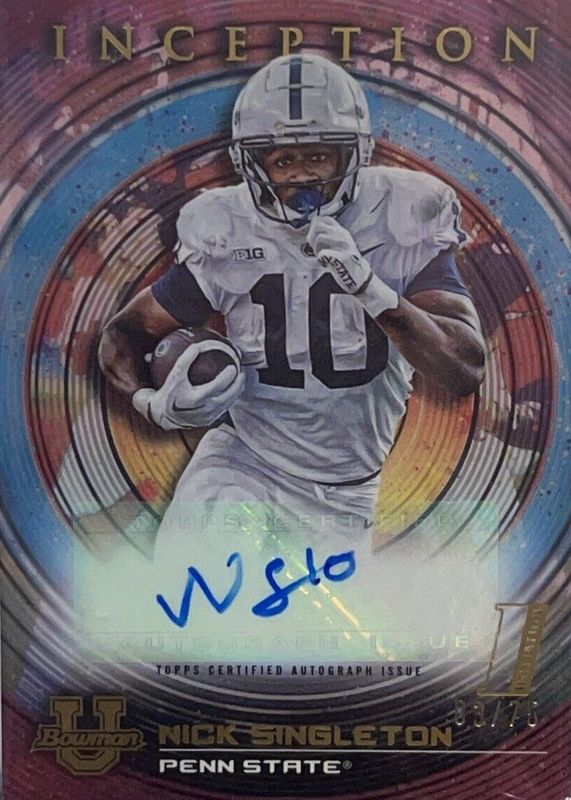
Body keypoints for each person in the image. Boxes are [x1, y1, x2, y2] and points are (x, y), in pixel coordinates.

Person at [98, 54, 486, 651]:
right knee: (191, 614)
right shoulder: (226, 226)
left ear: (352, 156)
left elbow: (463, 367)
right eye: (282, 159)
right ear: (253, 165)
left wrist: (371, 288)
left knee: (307, 650)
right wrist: (153, 404)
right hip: (244, 458)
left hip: (346, 487)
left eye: (317, 156)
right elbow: (124, 336)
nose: (301, 175)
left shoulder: (402, 216)